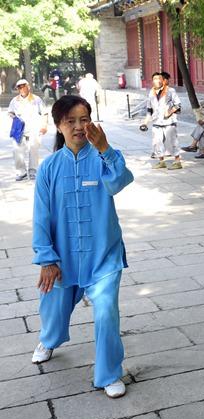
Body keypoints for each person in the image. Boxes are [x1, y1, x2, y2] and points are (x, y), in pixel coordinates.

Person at [31, 95, 134, 398]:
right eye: (70, 121)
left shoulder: (103, 158)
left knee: (106, 312)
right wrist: (47, 258)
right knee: (53, 308)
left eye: (84, 119)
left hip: (103, 254)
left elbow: (119, 182)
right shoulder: (49, 168)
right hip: (63, 258)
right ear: (59, 126)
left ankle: (109, 373)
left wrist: (104, 148)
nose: (78, 126)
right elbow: (41, 217)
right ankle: (49, 340)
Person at [140, 72, 182, 169]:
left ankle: (177, 161)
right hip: (156, 122)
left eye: (159, 79)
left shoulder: (170, 91)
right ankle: (161, 161)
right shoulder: (151, 92)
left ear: (163, 80)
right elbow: (149, 110)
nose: (157, 80)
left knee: (172, 141)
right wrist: (145, 122)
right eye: (154, 79)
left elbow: (178, 104)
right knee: (157, 142)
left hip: (169, 121)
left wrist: (169, 112)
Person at [8, 79, 48, 181]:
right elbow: (10, 112)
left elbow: (44, 113)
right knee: (17, 151)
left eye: (23, 86)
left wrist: (44, 126)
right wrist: (16, 119)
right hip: (19, 131)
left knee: (33, 151)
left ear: (28, 86)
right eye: (19, 87)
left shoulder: (36, 99)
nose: (22, 88)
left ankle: (33, 171)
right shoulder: (14, 101)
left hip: (34, 129)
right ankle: (21, 173)